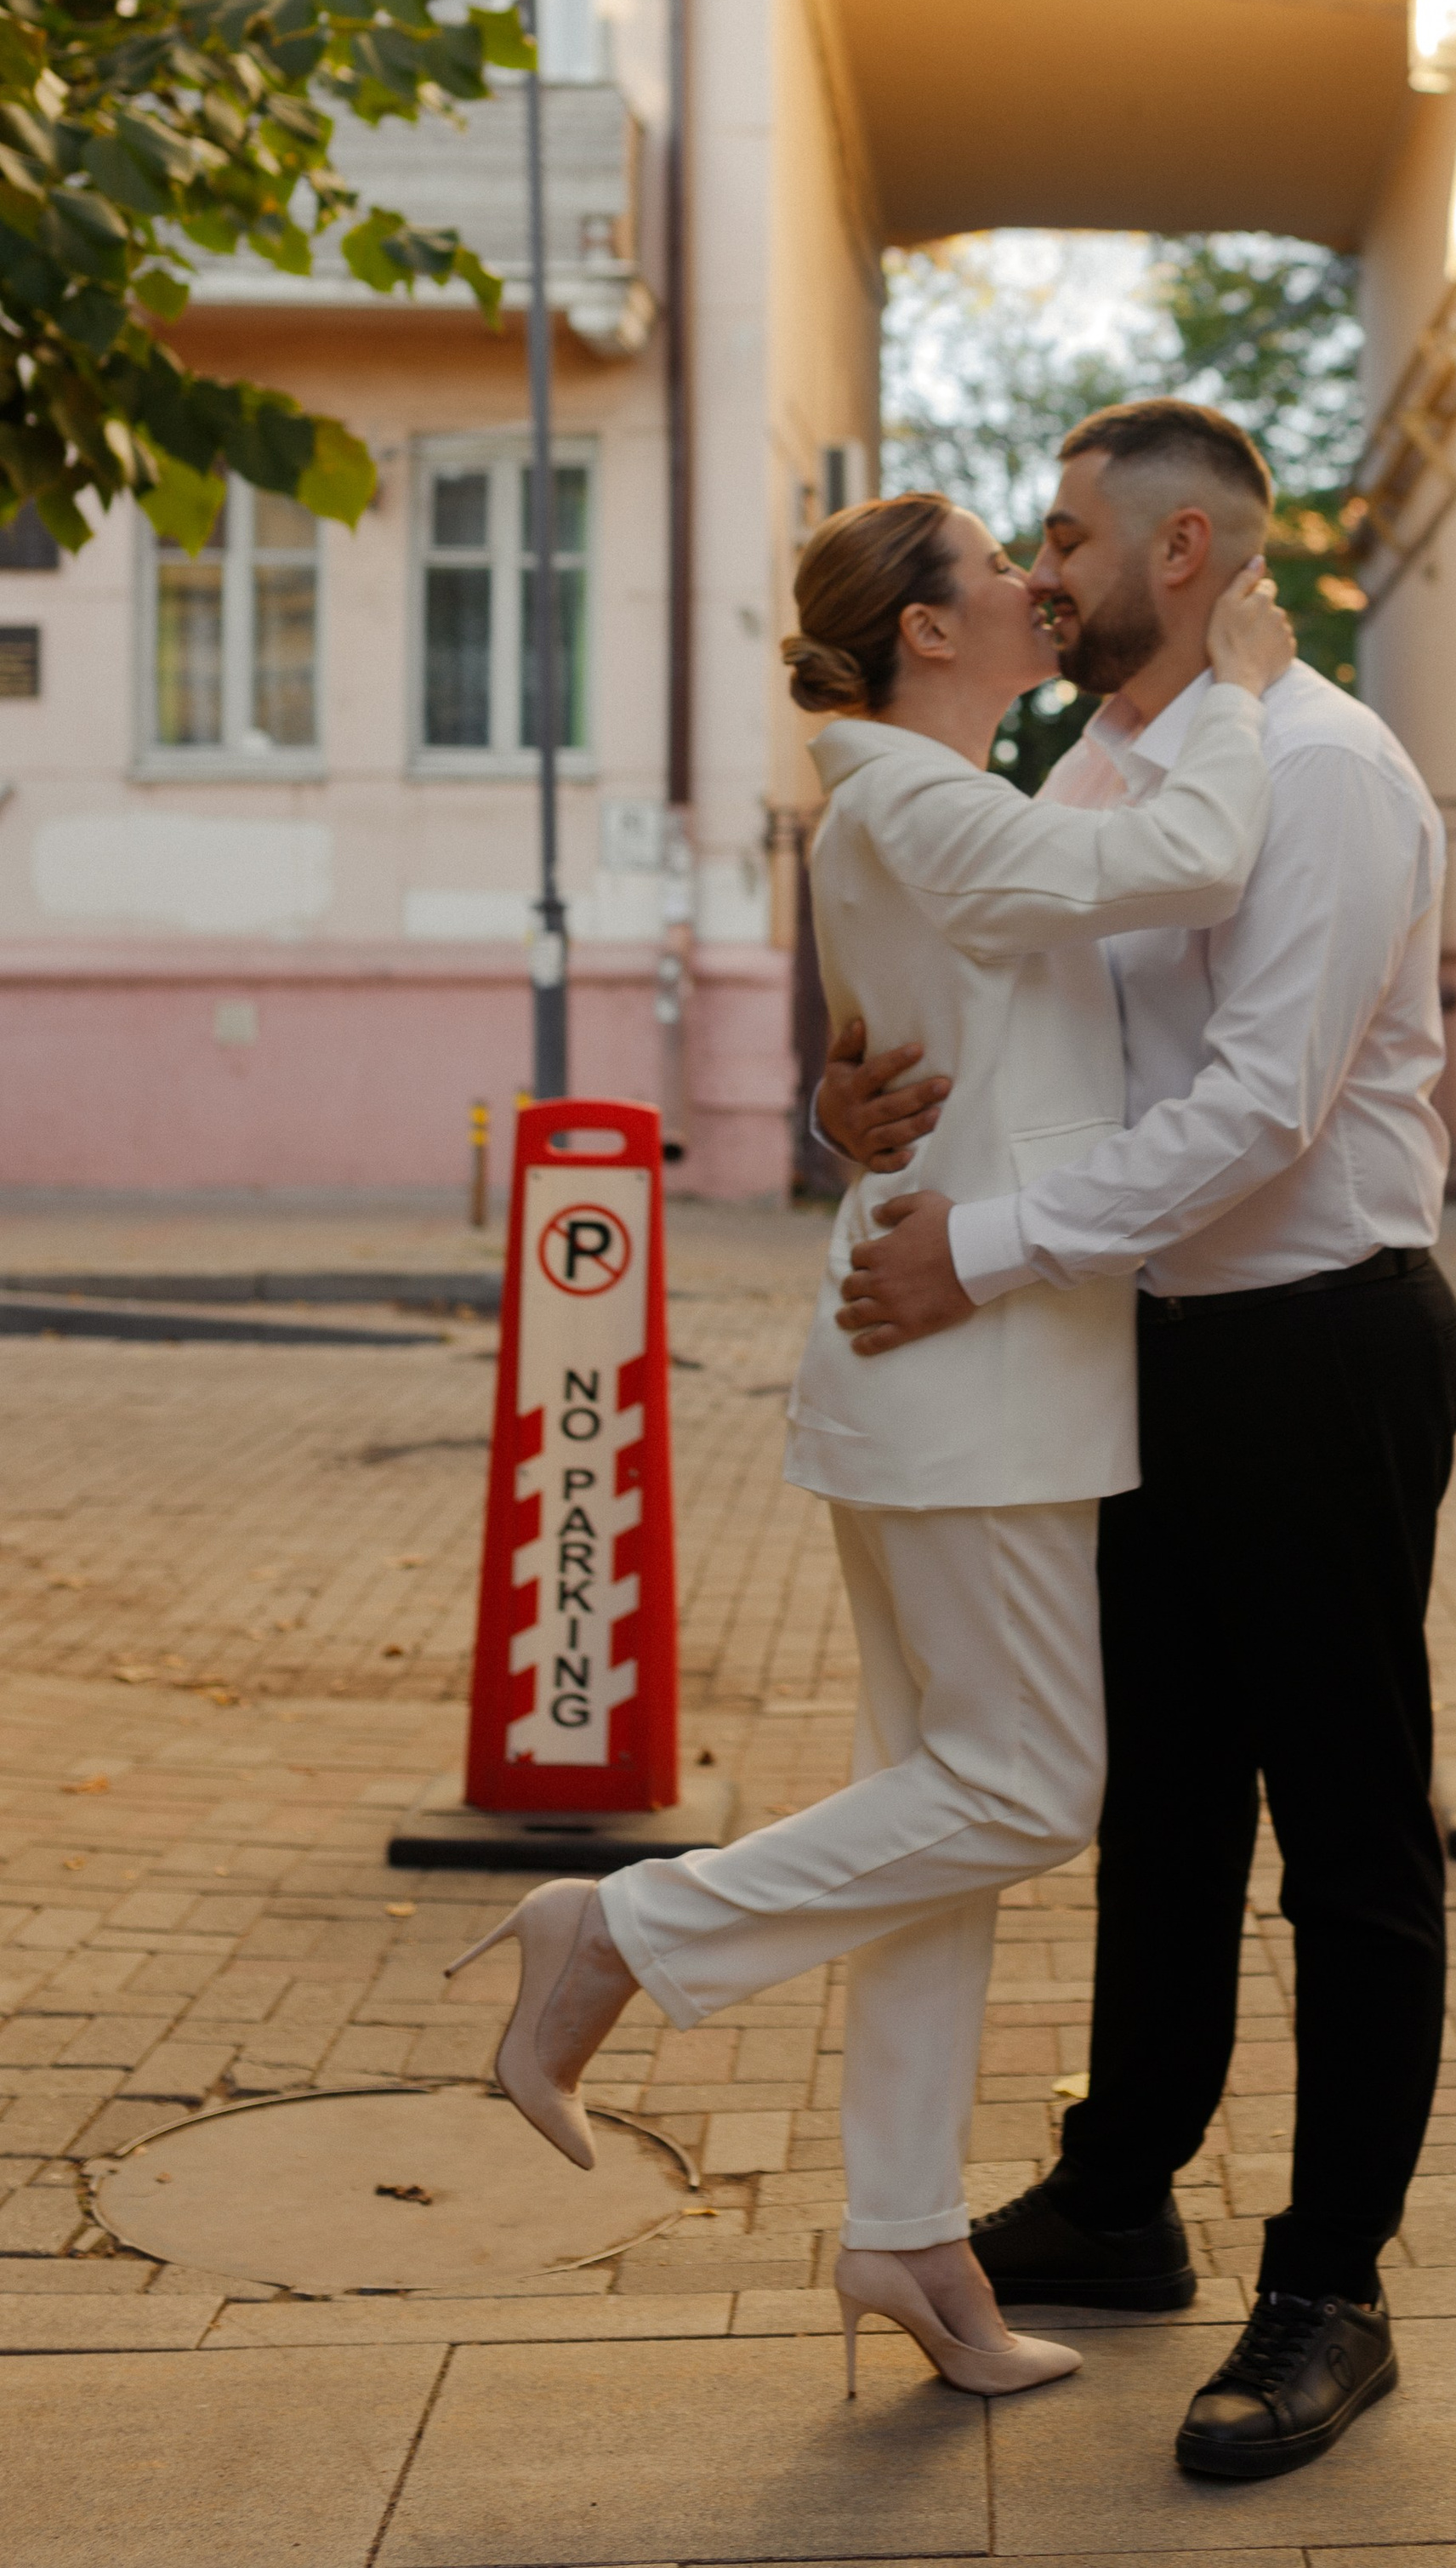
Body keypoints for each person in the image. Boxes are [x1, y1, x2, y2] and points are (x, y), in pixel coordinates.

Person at [446, 487, 1294, 2405]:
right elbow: (1174, 863)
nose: (1029, 584)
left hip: (960, 1363)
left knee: (938, 1823)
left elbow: (953, 1034)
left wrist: (844, 1105)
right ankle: (617, 1929)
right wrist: (1236, 682)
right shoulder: (906, 791)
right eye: (999, 568)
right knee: (1022, 1790)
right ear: (926, 628)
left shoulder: (935, 797)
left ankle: (904, 2232)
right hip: (962, 1380)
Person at [821, 399, 1456, 2483]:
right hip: (1150, 1354)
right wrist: (854, 1114)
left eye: (1069, 539)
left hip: (1322, 1340)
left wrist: (974, 1256)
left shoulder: (1323, 773)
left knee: (1344, 1832)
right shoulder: (1098, 758)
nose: (1040, 572)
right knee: (1162, 1804)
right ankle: (1121, 2195)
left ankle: (1331, 2282)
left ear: (1178, 552)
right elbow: (1006, 1021)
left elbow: (1256, 1115)